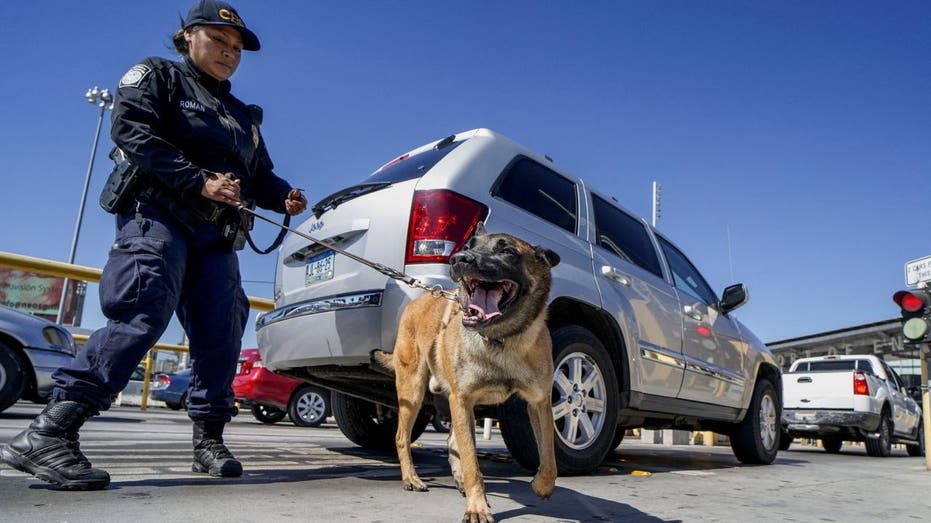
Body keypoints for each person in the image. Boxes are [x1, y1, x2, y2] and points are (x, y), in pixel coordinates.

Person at [0, 0, 306, 490]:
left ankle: (208, 441)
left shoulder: (241, 114)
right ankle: (50, 432)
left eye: (236, 48)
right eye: (218, 41)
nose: (229, 53)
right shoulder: (158, 76)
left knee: (222, 333)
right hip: (158, 216)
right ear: (188, 37)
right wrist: (199, 181)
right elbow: (132, 132)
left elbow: (260, 174)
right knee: (142, 313)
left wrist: (282, 196)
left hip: (217, 235)